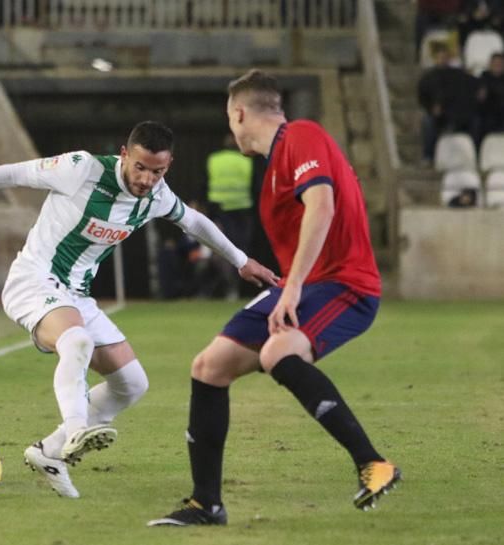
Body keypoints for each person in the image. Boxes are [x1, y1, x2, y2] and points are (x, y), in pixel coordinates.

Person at [0, 121, 279, 498]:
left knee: (132, 384)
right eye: (141, 168)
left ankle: (49, 452)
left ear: (169, 165)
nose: (147, 179)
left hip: (76, 295)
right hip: (33, 281)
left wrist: (241, 260)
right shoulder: (82, 169)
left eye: (158, 171)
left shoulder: (158, 195)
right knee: (77, 340)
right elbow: (13, 173)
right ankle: (76, 428)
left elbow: (194, 222)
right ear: (124, 154)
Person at [148, 70, 400, 528]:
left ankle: (373, 463)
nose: (231, 127)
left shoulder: (301, 136)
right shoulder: (274, 167)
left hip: (346, 285)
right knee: (209, 367)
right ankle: (207, 504)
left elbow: (322, 206)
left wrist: (296, 285)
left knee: (278, 350)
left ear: (240, 112)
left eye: (230, 117)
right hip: (300, 286)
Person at [204, 134, 254, 300]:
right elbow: (255, 186)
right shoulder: (246, 161)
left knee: (223, 249)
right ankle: (236, 287)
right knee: (241, 250)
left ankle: (229, 286)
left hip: (220, 210)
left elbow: (205, 184)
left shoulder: (214, 160)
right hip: (242, 210)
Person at [418, 43, 479, 161]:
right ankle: (428, 156)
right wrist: (431, 108)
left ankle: (474, 155)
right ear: (435, 58)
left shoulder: (457, 74)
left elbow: (472, 84)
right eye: (440, 57)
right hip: (437, 115)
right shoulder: (428, 78)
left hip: (456, 112)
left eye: (445, 57)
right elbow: (422, 98)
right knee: (427, 122)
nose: (442, 60)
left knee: (475, 120)